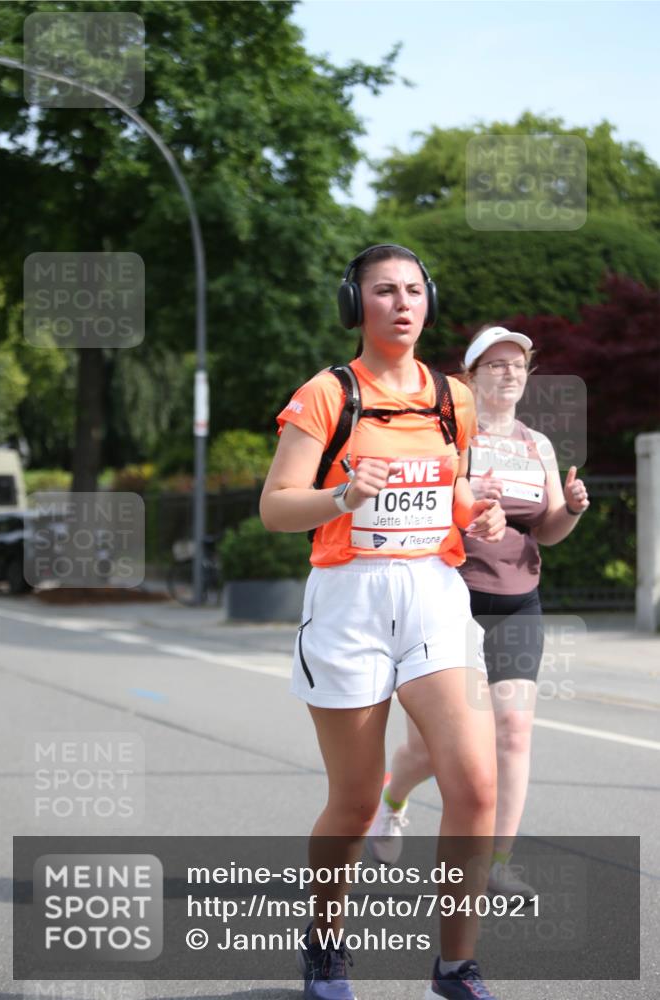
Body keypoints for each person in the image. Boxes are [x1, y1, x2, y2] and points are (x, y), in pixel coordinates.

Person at [260, 245, 507, 1000]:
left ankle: (454, 967)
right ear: (354, 305)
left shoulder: (451, 397)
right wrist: (341, 496)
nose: (401, 304)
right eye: (382, 292)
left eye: (412, 291)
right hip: (349, 602)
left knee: (473, 784)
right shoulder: (327, 395)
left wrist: (480, 512)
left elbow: (453, 490)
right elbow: (275, 507)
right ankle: (325, 940)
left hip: (432, 593)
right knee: (357, 798)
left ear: (427, 300)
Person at [368, 324, 589, 899]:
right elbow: (419, 507)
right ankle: (393, 799)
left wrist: (573, 509)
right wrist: (466, 498)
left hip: (519, 600)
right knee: (435, 747)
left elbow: (550, 529)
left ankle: (497, 861)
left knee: (513, 731)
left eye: (517, 365)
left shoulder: (536, 444)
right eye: (495, 365)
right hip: (452, 598)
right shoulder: (451, 436)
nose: (509, 373)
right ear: (471, 376)